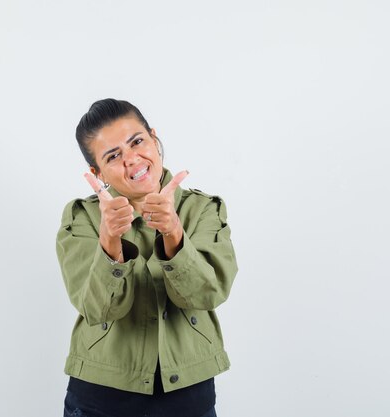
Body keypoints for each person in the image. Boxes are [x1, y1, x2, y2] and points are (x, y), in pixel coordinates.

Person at [56, 98, 238, 417]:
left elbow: (208, 294)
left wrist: (174, 233)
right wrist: (109, 241)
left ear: (154, 138)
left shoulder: (203, 209)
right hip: (101, 395)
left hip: (187, 395)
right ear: (96, 172)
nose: (132, 160)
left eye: (137, 141)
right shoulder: (82, 217)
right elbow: (97, 309)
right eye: (113, 156)